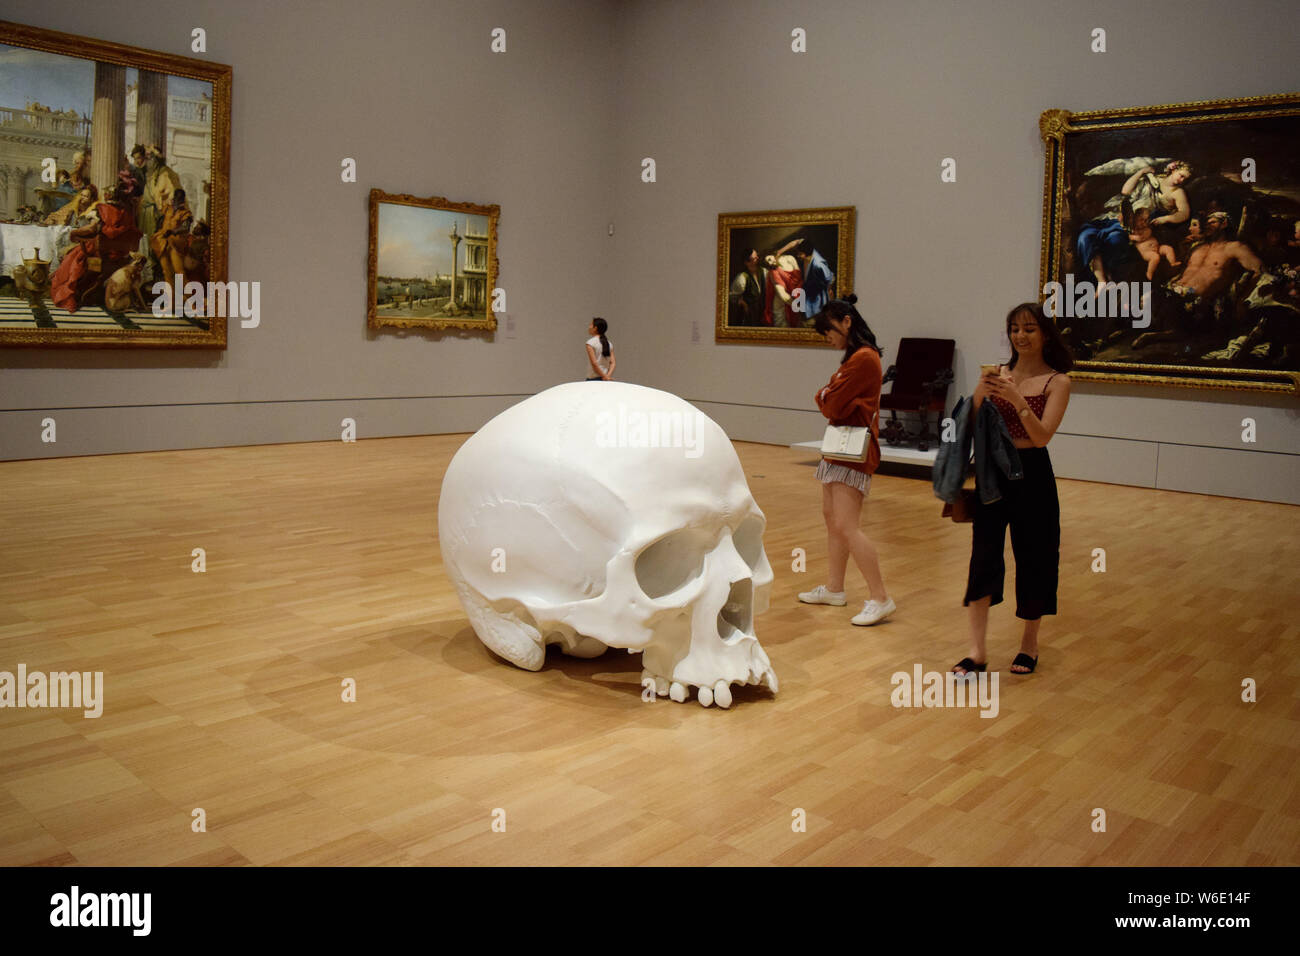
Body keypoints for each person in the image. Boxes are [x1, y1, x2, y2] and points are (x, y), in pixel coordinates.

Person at [953, 302, 1073, 677]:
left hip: (1033, 474)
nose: (1020, 336)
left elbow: (1041, 437)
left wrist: (1017, 399)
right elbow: (970, 422)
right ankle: (976, 651)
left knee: (1035, 556)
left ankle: (1029, 644)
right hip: (993, 473)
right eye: (1014, 329)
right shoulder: (998, 372)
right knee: (984, 555)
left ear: (1046, 334)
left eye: (1029, 328)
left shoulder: (1059, 381)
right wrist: (979, 395)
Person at [799, 295, 895, 626]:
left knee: (846, 525)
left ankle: (880, 596)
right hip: (840, 447)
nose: (829, 341)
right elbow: (828, 398)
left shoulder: (864, 359)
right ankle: (835, 588)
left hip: (852, 451)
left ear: (846, 322)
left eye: (830, 333)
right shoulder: (855, 358)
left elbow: (832, 403)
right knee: (833, 519)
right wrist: (828, 395)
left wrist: (828, 395)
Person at [777, 237, 834, 324]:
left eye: (800, 254)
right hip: (808, 290)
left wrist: (828, 293)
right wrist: (779, 252)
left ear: (806, 253)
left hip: (816, 296)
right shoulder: (806, 247)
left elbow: (830, 279)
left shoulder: (818, 264)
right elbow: (795, 242)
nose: (798, 255)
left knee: (813, 320)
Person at [728, 249, 766, 326]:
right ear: (747, 262)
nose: (758, 258)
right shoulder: (742, 277)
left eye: (757, 256)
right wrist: (743, 304)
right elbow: (732, 296)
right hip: (750, 313)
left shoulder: (764, 271)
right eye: (754, 258)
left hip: (763, 310)